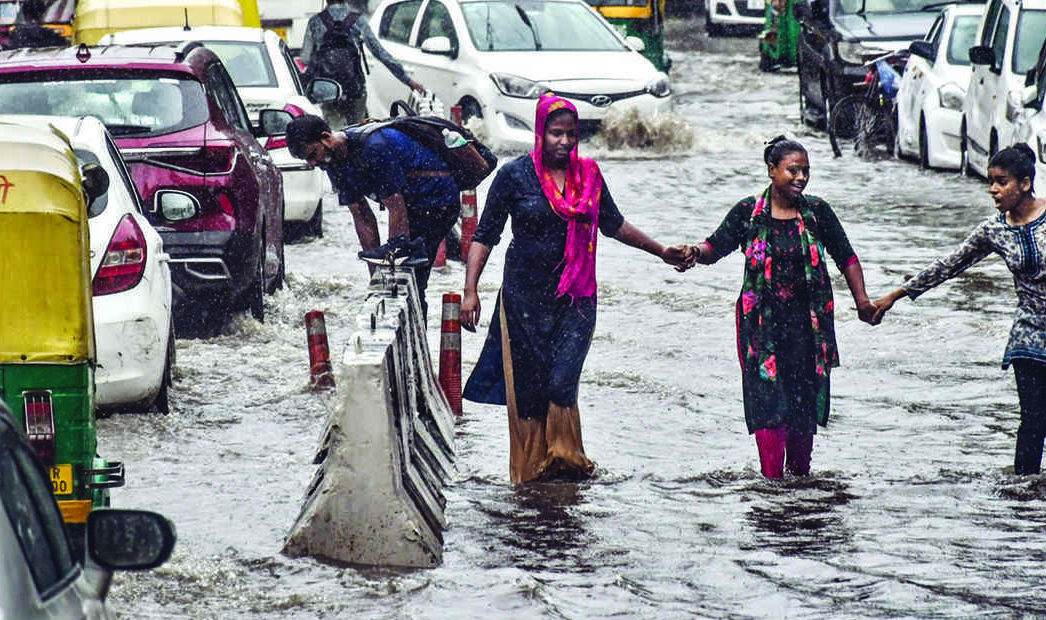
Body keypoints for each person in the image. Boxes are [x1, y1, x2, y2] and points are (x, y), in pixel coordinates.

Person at [870, 143, 1046, 475]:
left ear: (1025, 183)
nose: (993, 190)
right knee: (1034, 418)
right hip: (1030, 330)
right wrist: (895, 296)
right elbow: (950, 264)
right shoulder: (994, 230)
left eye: (1001, 182)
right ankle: (1025, 491)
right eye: (990, 182)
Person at [461, 95, 690, 483]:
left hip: (576, 299)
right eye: (555, 133)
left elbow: (614, 225)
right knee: (531, 391)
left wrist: (661, 251)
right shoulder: (515, 177)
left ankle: (567, 465)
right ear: (539, 133)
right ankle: (532, 474)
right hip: (523, 299)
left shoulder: (590, 176)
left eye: (571, 134)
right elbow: (485, 236)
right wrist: (471, 291)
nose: (564, 142)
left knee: (562, 381)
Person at [672, 136, 877, 479]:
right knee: (768, 406)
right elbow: (715, 246)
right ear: (771, 171)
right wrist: (694, 252)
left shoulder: (817, 213)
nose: (800, 178)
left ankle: (799, 485)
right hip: (760, 330)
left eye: (805, 171)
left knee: (802, 406)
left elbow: (847, 257)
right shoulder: (748, 213)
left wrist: (862, 302)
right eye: (792, 170)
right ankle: (771, 488)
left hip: (808, 329)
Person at [285, 113, 459, 307]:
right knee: (392, 280)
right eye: (306, 160)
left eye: (312, 155)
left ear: (326, 138)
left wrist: (394, 255)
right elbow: (362, 217)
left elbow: (397, 207)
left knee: (412, 281)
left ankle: (417, 318)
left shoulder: (373, 148)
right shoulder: (333, 164)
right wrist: (376, 278)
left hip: (437, 201)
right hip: (410, 204)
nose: (313, 164)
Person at [299, 0, 424, 126]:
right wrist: (408, 80)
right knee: (357, 130)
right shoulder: (357, 20)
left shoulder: (315, 22)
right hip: (354, 86)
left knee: (335, 131)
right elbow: (380, 52)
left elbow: (305, 58)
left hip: (328, 88)